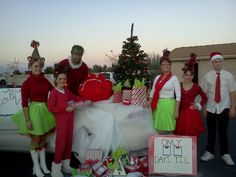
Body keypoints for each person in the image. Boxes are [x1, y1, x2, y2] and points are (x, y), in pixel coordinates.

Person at [11, 40, 55, 177]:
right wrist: (27, 119)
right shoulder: (27, 83)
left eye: (40, 66)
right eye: (36, 66)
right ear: (31, 66)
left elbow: (54, 92)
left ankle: (42, 165)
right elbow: (24, 103)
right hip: (34, 113)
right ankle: (36, 167)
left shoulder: (45, 80)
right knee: (36, 139)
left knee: (42, 139)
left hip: (45, 111)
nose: (38, 68)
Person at [56, 44, 88, 175]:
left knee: (75, 128)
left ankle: (69, 160)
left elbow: (84, 84)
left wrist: (82, 97)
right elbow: (57, 80)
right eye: (75, 54)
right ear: (71, 53)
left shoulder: (84, 67)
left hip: (76, 97)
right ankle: (57, 165)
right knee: (62, 135)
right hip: (64, 97)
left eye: (79, 55)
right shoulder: (63, 63)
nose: (77, 57)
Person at [200, 52, 236, 166]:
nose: (217, 63)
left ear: (222, 61)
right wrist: (204, 108)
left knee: (223, 132)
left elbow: (232, 92)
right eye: (215, 61)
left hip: (224, 108)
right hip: (211, 108)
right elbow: (204, 94)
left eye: (219, 61)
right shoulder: (207, 76)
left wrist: (233, 108)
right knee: (210, 131)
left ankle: (225, 154)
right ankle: (210, 152)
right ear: (212, 63)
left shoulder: (229, 76)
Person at [48, 68, 78, 177]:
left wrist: (87, 99)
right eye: (60, 78)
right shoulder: (54, 92)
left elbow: (74, 98)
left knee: (69, 142)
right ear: (56, 80)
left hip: (70, 121)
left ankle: (66, 165)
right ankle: (55, 169)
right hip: (62, 122)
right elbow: (51, 108)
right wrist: (64, 109)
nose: (62, 80)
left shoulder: (67, 91)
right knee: (61, 144)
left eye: (64, 78)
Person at [175, 53, 207, 138]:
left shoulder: (196, 87)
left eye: (191, 75)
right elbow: (174, 98)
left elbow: (205, 98)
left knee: (191, 137)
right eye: (187, 75)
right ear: (183, 75)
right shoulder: (178, 85)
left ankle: (192, 151)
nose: (189, 77)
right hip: (180, 115)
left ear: (193, 76)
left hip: (191, 115)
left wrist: (198, 105)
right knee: (180, 138)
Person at [149, 49, 181, 134]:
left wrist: (176, 110)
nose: (165, 65)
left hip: (170, 105)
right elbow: (153, 92)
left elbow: (178, 96)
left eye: (167, 64)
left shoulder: (174, 78)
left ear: (170, 65)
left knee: (170, 128)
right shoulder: (157, 78)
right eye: (163, 64)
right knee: (159, 128)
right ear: (161, 66)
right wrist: (149, 103)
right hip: (158, 105)